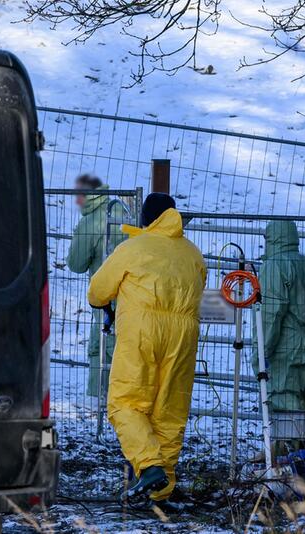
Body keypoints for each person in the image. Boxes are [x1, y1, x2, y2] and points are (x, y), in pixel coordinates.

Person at [87, 193, 206, 508]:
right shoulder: (193, 254)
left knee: (125, 404)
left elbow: (97, 291)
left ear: (147, 217)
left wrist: (107, 304)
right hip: (183, 336)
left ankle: (149, 466)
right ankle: (159, 493)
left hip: (142, 332)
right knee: (169, 411)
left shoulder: (131, 249)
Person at [255, 220, 305, 412]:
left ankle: (286, 442)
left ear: (272, 238)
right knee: (303, 401)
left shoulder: (274, 267)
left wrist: (260, 352)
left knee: (282, 401)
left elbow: (270, 314)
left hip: (286, 348)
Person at [66, 174, 126, 397]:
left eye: (77, 195)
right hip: (134, 293)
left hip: (106, 295)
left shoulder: (91, 222)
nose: (76, 201)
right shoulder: (125, 211)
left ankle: (99, 402)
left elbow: (76, 263)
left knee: (101, 347)